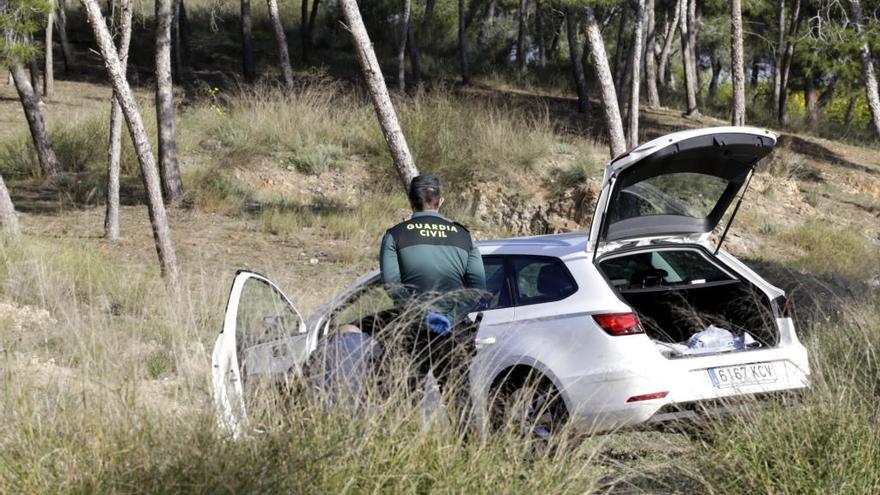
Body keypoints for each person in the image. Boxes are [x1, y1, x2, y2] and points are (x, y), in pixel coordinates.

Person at [379, 173, 486, 401]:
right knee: (460, 402)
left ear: (410, 201)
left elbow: (392, 286)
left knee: (403, 401)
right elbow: (478, 287)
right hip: (454, 331)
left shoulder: (395, 236)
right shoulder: (463, 236)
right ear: (441, 201)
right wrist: (451, 316)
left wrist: (423, 315)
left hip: (412, 331)